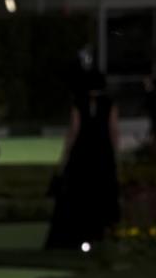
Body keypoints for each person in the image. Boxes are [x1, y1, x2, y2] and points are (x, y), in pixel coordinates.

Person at [45, 66, 120, 250]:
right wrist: (116, 157)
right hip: (103, 155)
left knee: (77, 195)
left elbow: (73, 132)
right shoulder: (109, 104)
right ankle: (100, 235)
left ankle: (75, 237)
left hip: (82, 155)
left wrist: (64, 157)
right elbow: (114, 131)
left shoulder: (79, 103)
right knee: (102, 194)